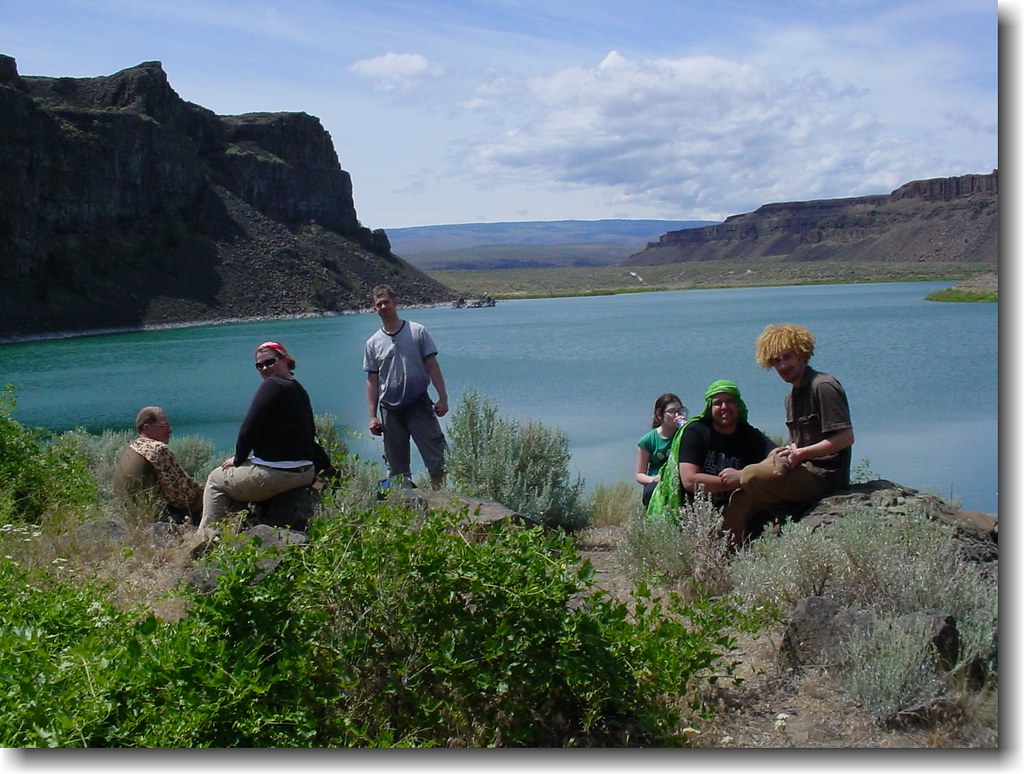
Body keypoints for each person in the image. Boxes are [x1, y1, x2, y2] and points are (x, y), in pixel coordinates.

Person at [721, 323, 855, 548]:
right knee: (740, 497)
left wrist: (802, 453)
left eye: (787, 357)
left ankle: (787, 511)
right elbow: (799, 440)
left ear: (802, 354)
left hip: (825, 477)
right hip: (802, 469)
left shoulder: (823, 386)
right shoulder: (791, 398)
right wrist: (789, 451)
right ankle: (728, 556)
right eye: (776, 361)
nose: (783, 365)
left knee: (750, 476)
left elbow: (846, 437)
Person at [198, 341, 329, 532]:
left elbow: (249, 428)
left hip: (278, 474)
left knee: (216, 480)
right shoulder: (297, 388)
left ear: (284, 359)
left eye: (269, 362)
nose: (265, 368)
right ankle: (240, 529)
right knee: (236, 481)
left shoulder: (272, 385)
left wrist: (239, 458)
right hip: (305, 472)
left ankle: (205, 538)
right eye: (259, 365)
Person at [363, 284, 449, 489]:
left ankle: (440, 502)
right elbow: (372, 381)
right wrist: (372, 416)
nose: (383, 306)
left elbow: (432, 366)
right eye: (378, 304)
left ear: (395, 303)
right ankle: (405, 507)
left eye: (386, 302)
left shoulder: (417, 332)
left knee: (437, 460)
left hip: (418, 404)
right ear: (375, 309)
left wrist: (442, 398)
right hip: (390, 411)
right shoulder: (372, 343)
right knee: (396, 469)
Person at [676, 380, 775, 509]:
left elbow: (777, 455)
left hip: (739, 509)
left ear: (738, 405)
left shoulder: (750, 434)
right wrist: (735, 482)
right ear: (710, 408)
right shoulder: (695, 432)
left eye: (729, 401)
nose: (724, 407)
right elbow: (689, 481)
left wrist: (743, 476)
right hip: (700, 515)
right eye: (717, 403)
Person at [112, 406, 203, 524]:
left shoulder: (133, 448)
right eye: (164, 426)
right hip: (152, 519)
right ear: (147, 428)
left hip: (127, 516)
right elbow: (182, 495)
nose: (170, 430)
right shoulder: (157, 449)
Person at [635, 393, 687, 507]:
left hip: (680, 479)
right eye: (672, 411)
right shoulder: (648, 440)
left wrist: (687, 430)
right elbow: (639, 474)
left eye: (680, 411)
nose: (677, 415)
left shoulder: (686, 435)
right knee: (652, 492)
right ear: (659, 415)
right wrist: (653, 479)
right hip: (658, 482)